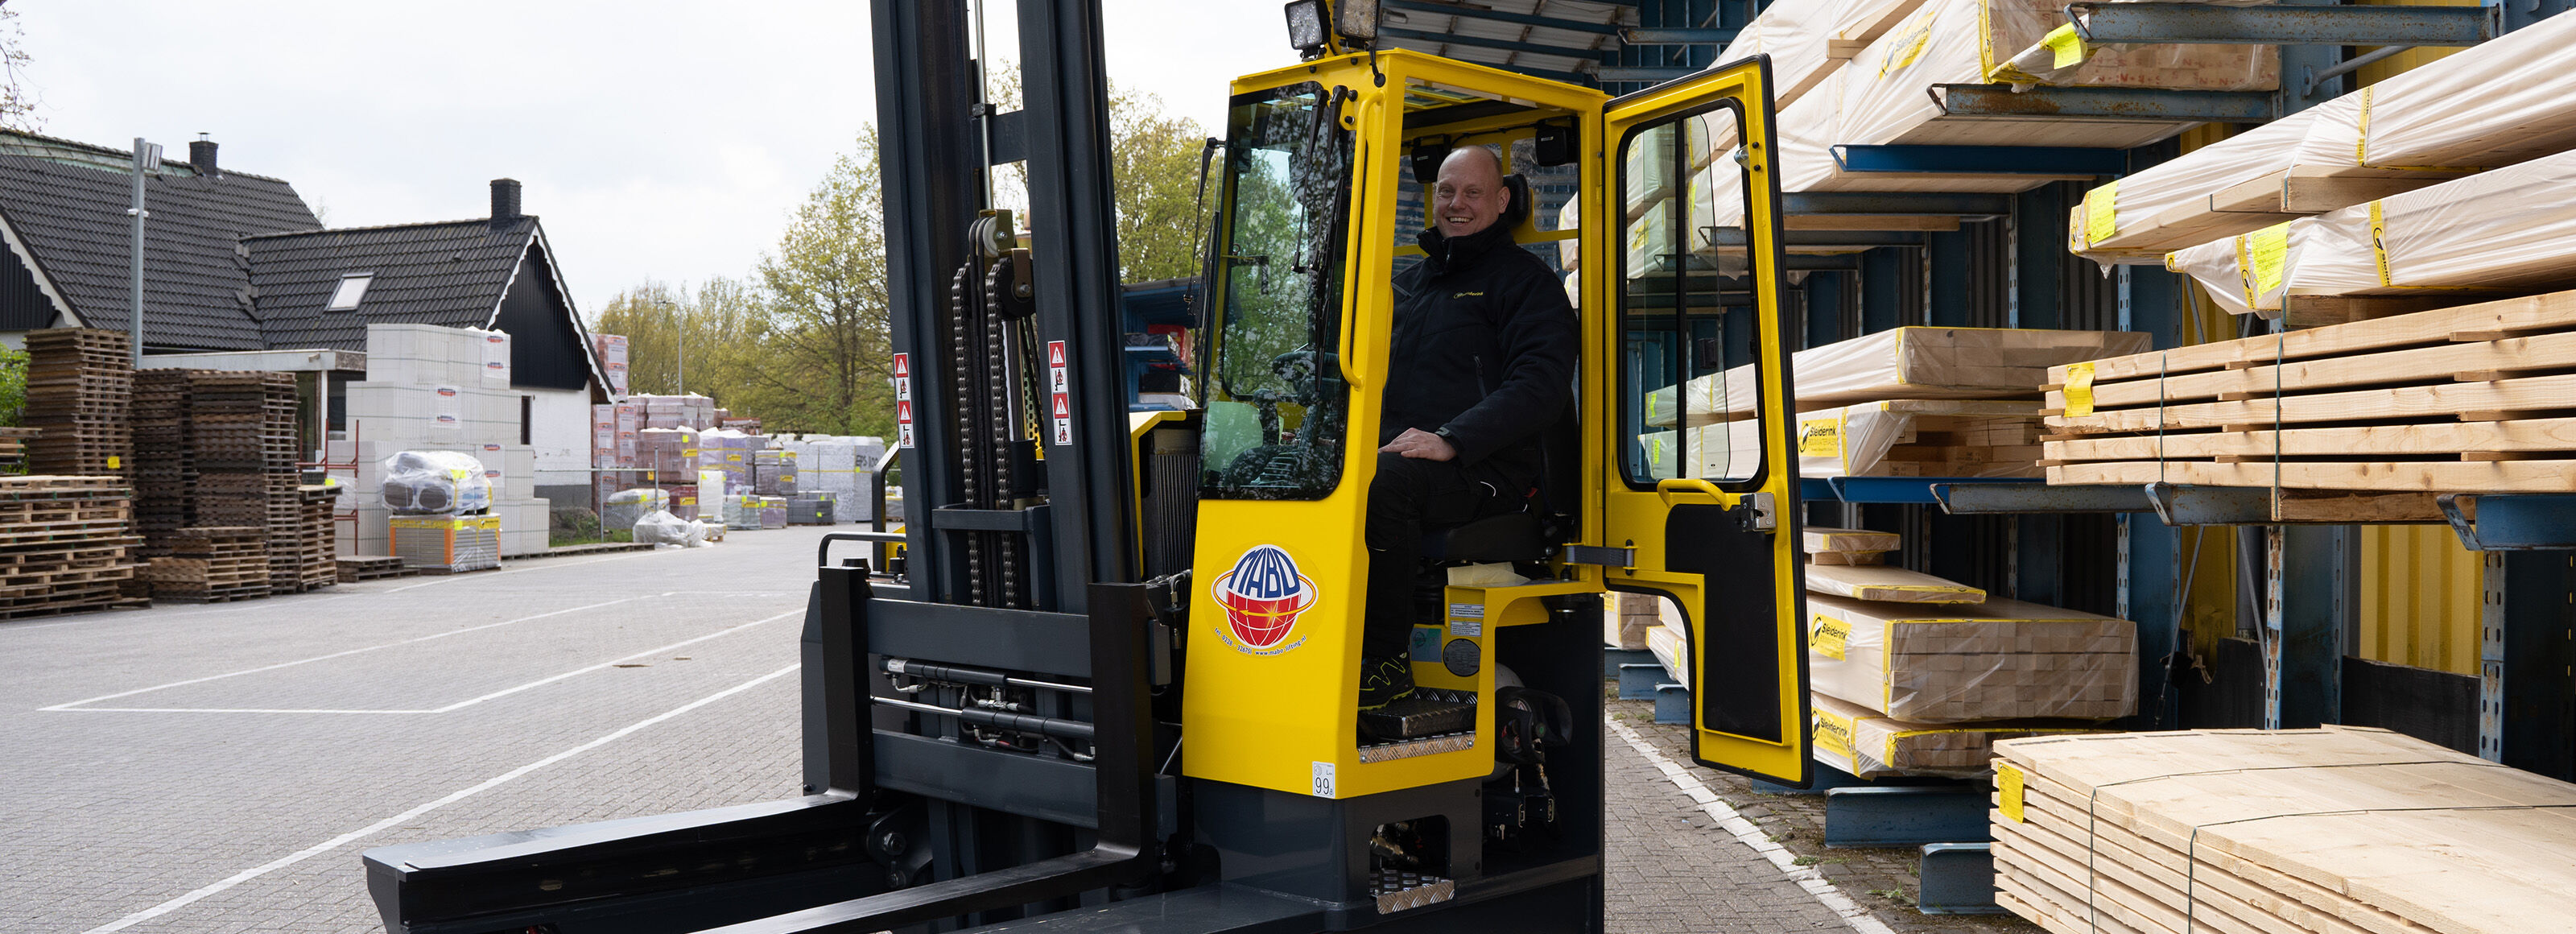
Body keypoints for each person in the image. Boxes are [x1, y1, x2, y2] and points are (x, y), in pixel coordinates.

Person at [1360, 145, 1579, 712]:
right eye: (1447, 192)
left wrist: (1452, 439)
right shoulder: (1407, 287)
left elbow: (1540, 386)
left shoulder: (1526, 284)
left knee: (1385, 482)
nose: (1457, 204)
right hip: (1410, 460)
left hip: (1488, 470)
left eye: (1473, 193)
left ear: (1503, 201)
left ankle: (1383, 663)